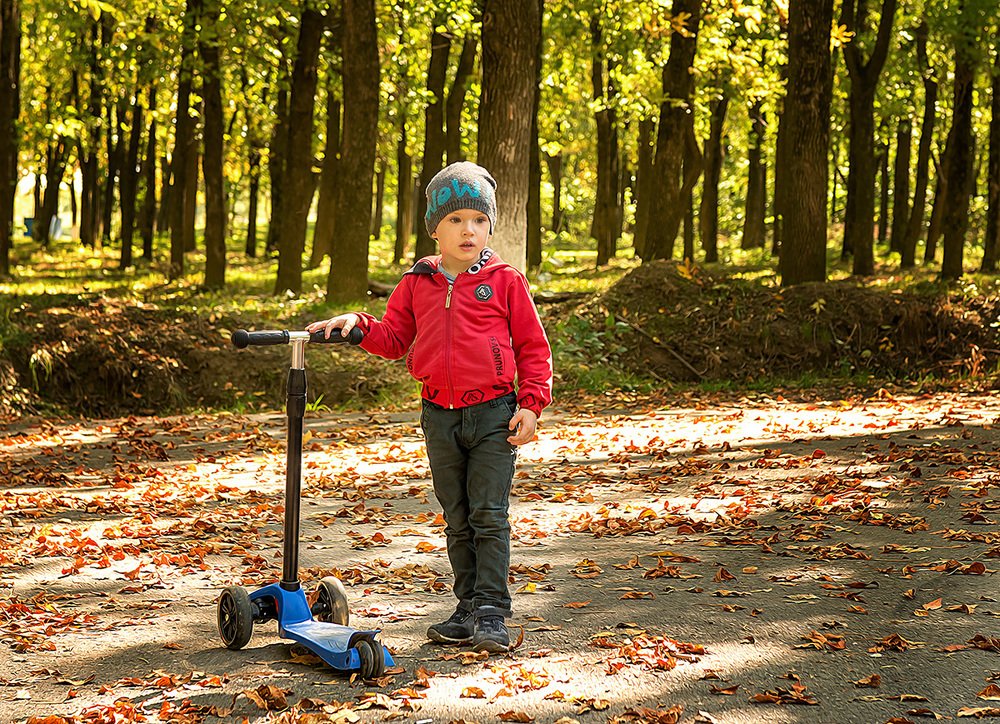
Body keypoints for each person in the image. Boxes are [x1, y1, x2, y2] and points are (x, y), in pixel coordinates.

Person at [306, 161, 553, 653]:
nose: (469, 230)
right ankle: (466, 609)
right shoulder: (418, 281)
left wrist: (531, 402)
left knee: (488, 513)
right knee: (457, 515)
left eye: (479, 220)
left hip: (494, 414)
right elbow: (394, 338)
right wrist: (357, 324)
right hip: (438, 415)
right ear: (434, 228)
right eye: (457, 219)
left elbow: (532, 347)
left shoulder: (506, 280)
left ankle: (491, 613)